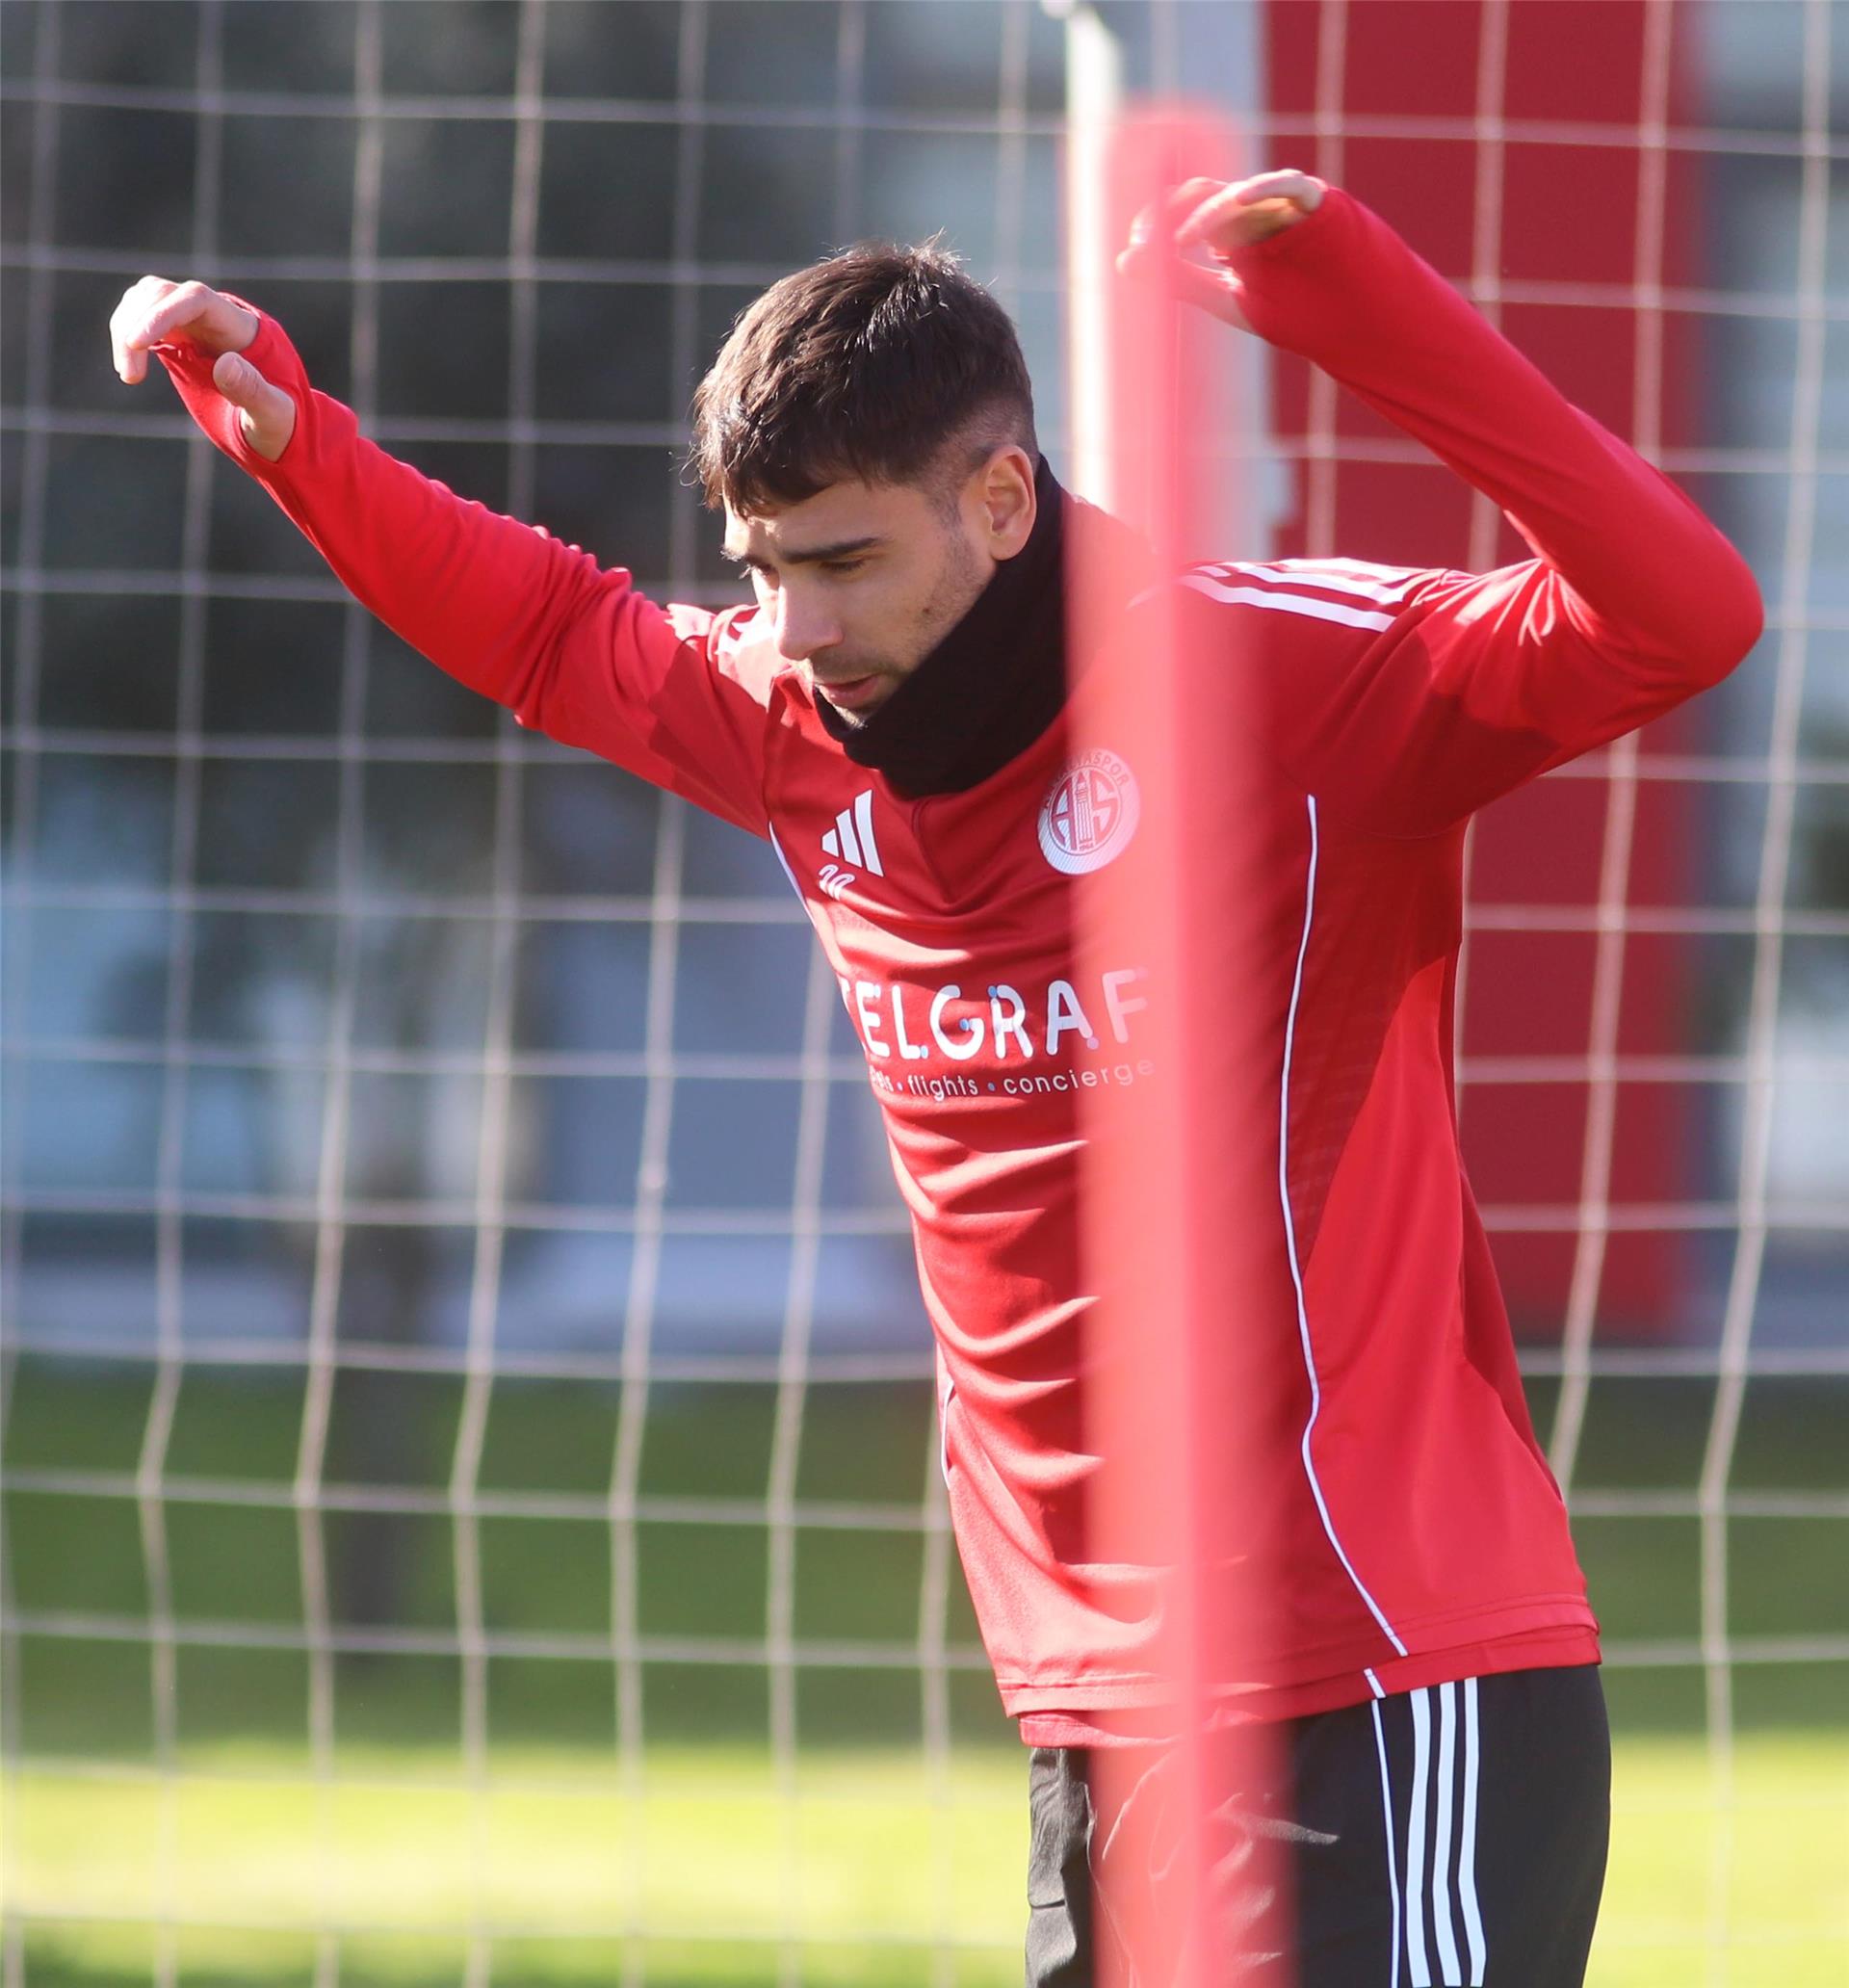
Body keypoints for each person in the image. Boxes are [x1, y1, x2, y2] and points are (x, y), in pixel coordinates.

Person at [111, 169, 1761, 1985]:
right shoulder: (795, 722)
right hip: (1096, 1711)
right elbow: (558, 632)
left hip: (1385, 1676)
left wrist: (1360, 309)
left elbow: (1685, 616)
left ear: (1001, 499)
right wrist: (299, 443)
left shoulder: (1284, 683)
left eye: (842, 563)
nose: (795, 627)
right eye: (762, 571)